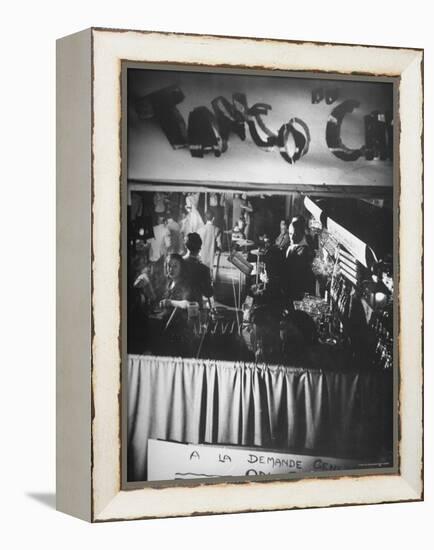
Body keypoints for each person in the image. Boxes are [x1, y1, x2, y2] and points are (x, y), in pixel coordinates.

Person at [283, 216, 314, 303]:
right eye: (290, 234)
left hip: (299, 293)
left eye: (294, 234)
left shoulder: (304, 251)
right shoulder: (293, 245)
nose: (291, 238)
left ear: (302, 233)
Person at [183, 232, 214, 308]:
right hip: (194, 308)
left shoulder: (178, 263)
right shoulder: (203, 269)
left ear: (185, 246)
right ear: (200, 248)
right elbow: (208, 293)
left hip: (178, 307)